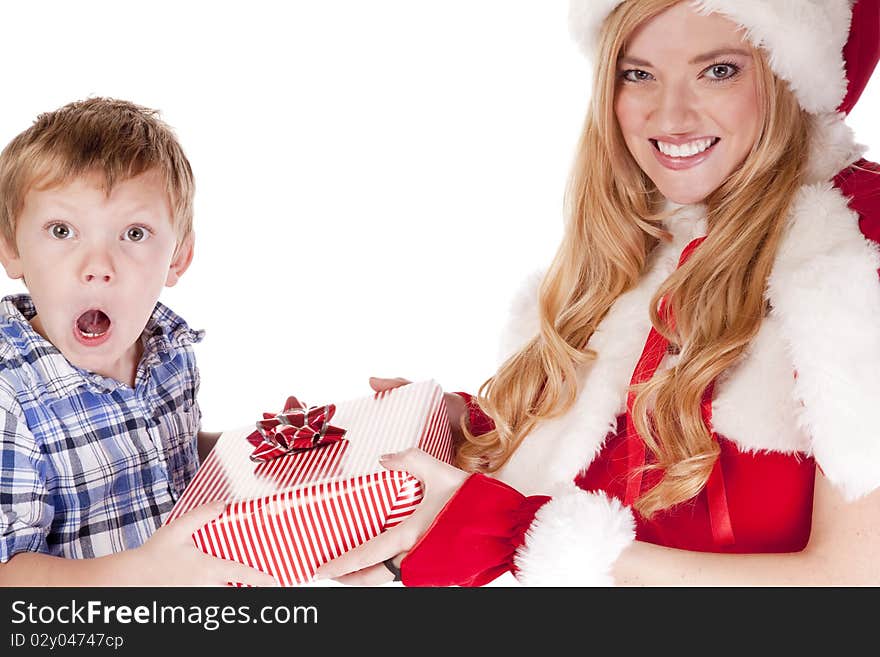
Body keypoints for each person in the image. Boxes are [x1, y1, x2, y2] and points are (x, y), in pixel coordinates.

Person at [316, 0, 880, 586]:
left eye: (719, 70)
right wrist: (493, 432)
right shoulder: (662, 231)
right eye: (638, 74)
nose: (672, 116)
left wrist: (519, 535)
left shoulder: (853, 257)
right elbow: (635, 473)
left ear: (792, 77)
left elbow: (853, 586)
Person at [0, 98, 275, 586]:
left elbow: (174, 456)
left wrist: (273, 448)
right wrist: (140, 574)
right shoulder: (11, 399)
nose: (98, 265)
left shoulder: (170, 353)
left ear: (178, 258)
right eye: (62, 230)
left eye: (134, 232)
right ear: (11, 247)